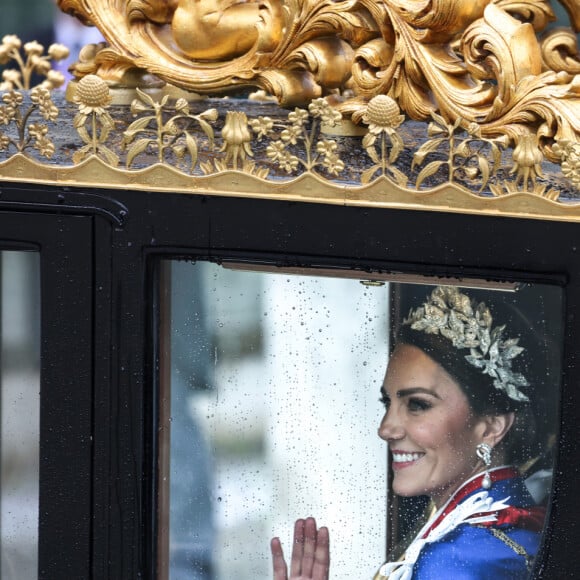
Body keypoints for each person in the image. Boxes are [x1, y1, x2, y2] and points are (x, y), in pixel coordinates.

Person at [271, 285, 549, 579]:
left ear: (492, 426)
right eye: (387, 402)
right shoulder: (506, 527)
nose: (385, 429)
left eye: (417, 404)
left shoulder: (454, 560)